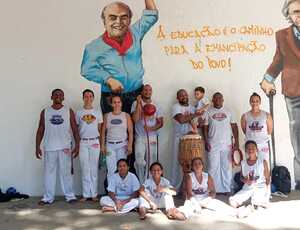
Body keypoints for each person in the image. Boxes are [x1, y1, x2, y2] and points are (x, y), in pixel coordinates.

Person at [81, 0, 158, 114]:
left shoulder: (135, 32)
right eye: (112, 18)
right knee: (114, 129)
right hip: (111, 97)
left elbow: (151, 15)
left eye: (123, 17)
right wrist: (108, 79)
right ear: (104, 21)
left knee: (136, 129)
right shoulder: (93, 47)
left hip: (137, 94)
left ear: (129, 20)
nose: (119, 22)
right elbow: (86, 69)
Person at [260, 0, 300, 189]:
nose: (299, 15)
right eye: (295, 12)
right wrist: (267, 80)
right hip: (294, 92)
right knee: (298, 134)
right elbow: (278, 61)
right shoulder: (282, 36)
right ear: (289, 14)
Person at [35, 89, 80, 205]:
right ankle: (47, 198)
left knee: (66, 173)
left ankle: (70, 196)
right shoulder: (45, 111)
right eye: (55, 94)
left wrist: (77, 145)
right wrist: (37, 146)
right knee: (48, 173)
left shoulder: (68, 111)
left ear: (63, 98)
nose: (58, 96)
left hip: (65, 147)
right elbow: (40, 129)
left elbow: (75, 130)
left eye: (60, 95)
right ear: (51, 97)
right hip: (49, 147)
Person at [168, 157, 237, 220]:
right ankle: (175, 213)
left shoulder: (207, 176)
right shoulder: (189, 177)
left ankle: (238, 212)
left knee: (221, 206)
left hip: (205, 199)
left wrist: (209, 198)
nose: (197, 166)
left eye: (199, 164)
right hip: (193, 200)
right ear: (192, 167)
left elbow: (213, 191)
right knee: (186, 210)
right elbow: (189, 194)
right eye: (195, 164)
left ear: (202, 166)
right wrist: (195, 203)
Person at [203, 92, 240, 194]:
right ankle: (212, 189)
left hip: (226, 144)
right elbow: (205, 128)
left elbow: (234, 127)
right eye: (216, 98)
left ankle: (226, 189)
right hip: (212, 143)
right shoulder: (208, 112)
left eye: (220, 98)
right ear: (213, 100)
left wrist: (236, 143)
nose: (218, 100)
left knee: (226, 167)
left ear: (223, 100)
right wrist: (206, 141)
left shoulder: (229, 111)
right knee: (212, 167)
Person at [171, 89, 202, 191]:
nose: (184, 96)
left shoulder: (192, 108)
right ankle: (175, 188)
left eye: (185, 95)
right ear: (177, 98)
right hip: (179, 138)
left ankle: (191, 188)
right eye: (181, 95)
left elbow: (196, 123)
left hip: (191, 140)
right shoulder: (176, 107)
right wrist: (195, 114)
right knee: (177, 163)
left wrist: (200, 119)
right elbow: (181, 120)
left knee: (192, 164)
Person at [131, 84, 163, 183]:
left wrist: (151, 128)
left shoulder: (157, 104)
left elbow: (161, 123)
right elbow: (135, 119)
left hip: (152, 137)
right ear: (142, 92)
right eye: (145, 90)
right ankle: (142, 184)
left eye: (149, 90)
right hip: (140, 137)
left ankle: (151, 184)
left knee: (152, 161)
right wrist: (139, 104)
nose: (147, 92)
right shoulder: (135, 103)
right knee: (139, 161)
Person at [76, 89, 103, 202]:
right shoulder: (78, 112)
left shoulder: (97, 112)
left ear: (93, 98)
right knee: (85, 168)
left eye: (90, 96)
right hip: (83, 142)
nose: (88, 98)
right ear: (83, 98)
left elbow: (100, 129)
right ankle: (86, 194)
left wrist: (101, 144)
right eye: (86, 96)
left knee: (93, 168)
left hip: (94, 142)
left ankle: (94, 194)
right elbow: (76, 129)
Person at [229, 140, 271, 211]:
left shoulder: (262, 162)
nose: (250, 150)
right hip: (248, 187)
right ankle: (248, 204)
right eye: (248, 148)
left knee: (257, 205)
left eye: (253, 148)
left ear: (257, 150)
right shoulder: (243, 163)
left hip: (260, 187)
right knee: (232, 202)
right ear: (245, 150)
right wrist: (245, 180)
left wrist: (267, 192)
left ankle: (256, 202)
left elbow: (267, 178)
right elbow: (241, 177)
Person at [100, 95, 133, 182]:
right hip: (110, 146)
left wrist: (130, 145)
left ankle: (121, 191)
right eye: (114, 102)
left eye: (118, 102)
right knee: (111, 170)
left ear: (121, 103)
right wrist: (102, 146)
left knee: (122, 169)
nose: (117, 104)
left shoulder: (126, 116)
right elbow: (103, 132)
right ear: (111, 104)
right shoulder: (107, 116)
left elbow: (130, 131)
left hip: (122, 145)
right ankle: (111, 191)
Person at [241, 93, 273, 163]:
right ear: (250, 102)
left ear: (260, 102)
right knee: (250, 165)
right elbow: (244, 130)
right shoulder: (245, 116)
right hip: (250, 145)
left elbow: (269, 131)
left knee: (264, 165)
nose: (255, 103)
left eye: (257, 101)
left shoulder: (266, 115)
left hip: (263, 145)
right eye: (252, 101)